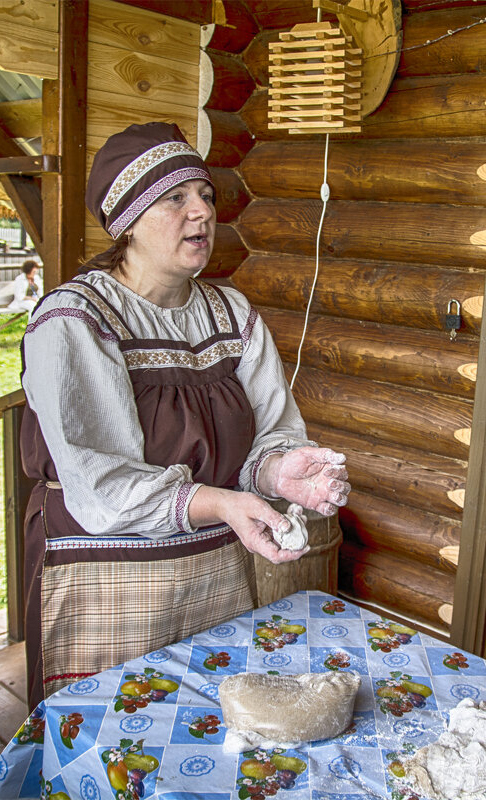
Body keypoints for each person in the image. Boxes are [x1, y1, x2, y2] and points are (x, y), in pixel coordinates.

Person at [18, 122, 351, 707]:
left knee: (205, 722)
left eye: (206, 196)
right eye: (175, 198)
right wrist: (220, 502)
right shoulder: (76, 319)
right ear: (127, 221)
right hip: (105, 574)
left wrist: (281, 473)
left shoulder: (231, 313)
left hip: (212, 568)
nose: (202, 211)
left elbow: (267, 436)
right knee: (111, 740)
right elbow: (102, 486)